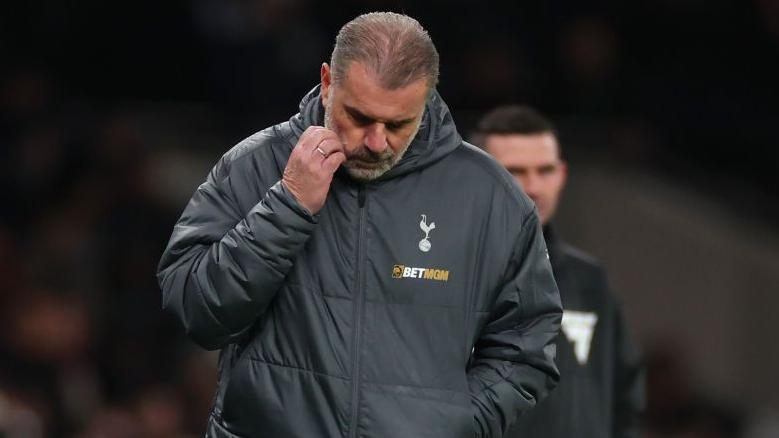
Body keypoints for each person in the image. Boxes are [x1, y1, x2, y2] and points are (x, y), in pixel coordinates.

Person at [157, 13, 562, 438]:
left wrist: (456, 422)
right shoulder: (255, 166)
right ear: (328, 82)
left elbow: (527, 345)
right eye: (359, 116)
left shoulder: (489, 196)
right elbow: (196, 310)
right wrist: (287, 205)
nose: (375, 141)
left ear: (427, 99)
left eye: (397, 124)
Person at [475, 105, 645, 438]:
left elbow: (625, 396)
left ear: (562, 175)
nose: (534, 186)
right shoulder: (448, 277)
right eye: (516, 171)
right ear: (478, 176)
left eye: (545, 170)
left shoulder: (589, 280)